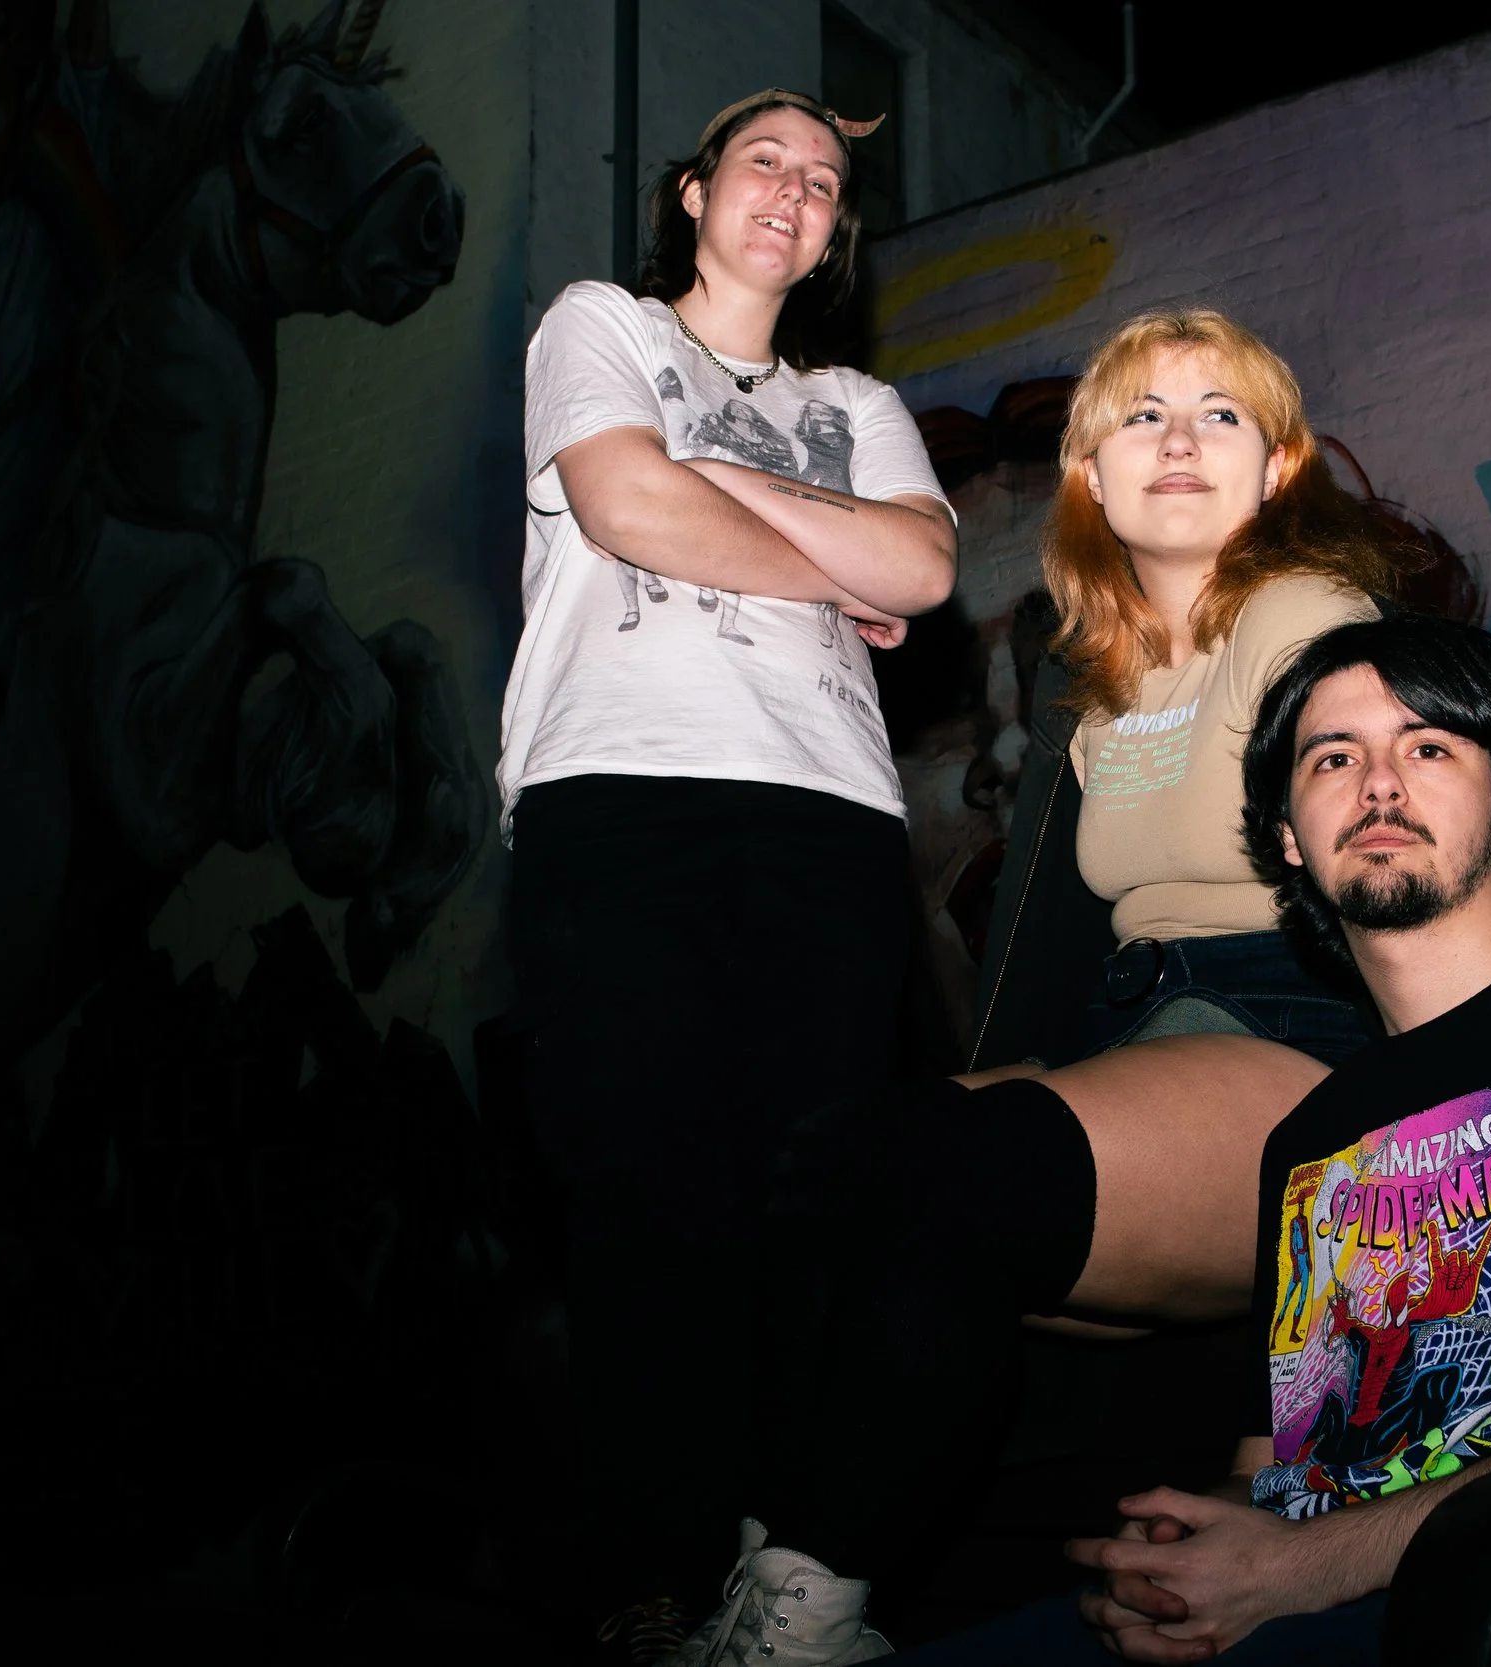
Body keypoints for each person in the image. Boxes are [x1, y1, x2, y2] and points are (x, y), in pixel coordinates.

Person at [659, 310, 1405, 1665]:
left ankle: (804, 1620)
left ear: (1277, 469)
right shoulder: (1093, 672)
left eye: (1220, 413)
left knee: (943, 1160)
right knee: (824, 1168)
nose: (1179, 439)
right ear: (1097, 478)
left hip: (1283, 1031)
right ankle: (759, 1593)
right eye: (1143, 417)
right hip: (1133, 1033)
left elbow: (1396, 865)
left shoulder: (1311, 618)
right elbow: (1032, 948)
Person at [889, 612, 1491, 1664]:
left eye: (1428, 747)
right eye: (1334, 757)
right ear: (1287, 836)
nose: (1379, 784)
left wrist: (1300, 1565)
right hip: (1331, 1604)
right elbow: (1277, 1462)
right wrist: (1189, 1547)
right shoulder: (1313, 1133)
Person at [495, 88, 956, 1629]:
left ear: (832, 236)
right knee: (643, 1196)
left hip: (828, 812)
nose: (796, 191)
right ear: (695, 191)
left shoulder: (861, 401)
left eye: (824, 183)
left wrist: (721, 490)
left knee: (820, 1200)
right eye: (767, 162)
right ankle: (657, 1574)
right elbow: (623, 501)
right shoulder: (600, 325)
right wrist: (828, 560)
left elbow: (926, 568)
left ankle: (786, 1591)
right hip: (620, 790)